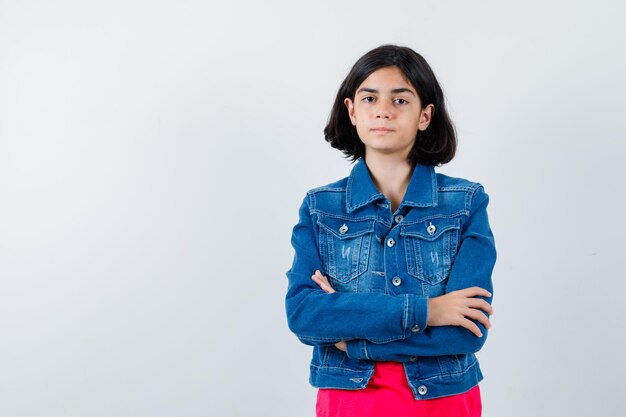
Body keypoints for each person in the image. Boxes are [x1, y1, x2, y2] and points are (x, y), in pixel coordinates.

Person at [285, 44, 497, 417]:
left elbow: (466, 330)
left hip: (444, 399)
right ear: (351, 110)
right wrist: (428, 311)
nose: (383, 110)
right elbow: (305, 316)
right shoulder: (320, 208)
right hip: (351, 400)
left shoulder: (466, 203)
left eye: (400, 100)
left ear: (425, 116)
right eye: (370, 98)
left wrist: (353, 341)